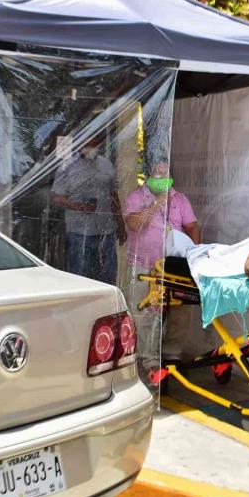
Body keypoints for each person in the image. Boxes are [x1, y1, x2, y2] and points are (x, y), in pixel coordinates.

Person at [124, 155, 200, 370]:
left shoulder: (180, 199)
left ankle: (171, 353)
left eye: (166, 174)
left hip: (173, 266)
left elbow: (192, 226)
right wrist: (158, 202)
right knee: (146, 310)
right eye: (158, 174)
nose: (163, 179)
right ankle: (147, 358)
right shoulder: (136, 198)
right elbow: (135, 224)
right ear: (148, 176)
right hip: (144, 264)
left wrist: (193, 254)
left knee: (182, 310)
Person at [51, 133, 126, 285]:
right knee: (80, 277)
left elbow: (113, 195)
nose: (92, 147)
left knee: (108, 276)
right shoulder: (66, 167)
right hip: (79, 232)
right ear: (80, 145)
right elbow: (56, 197)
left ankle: (107, 307)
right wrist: (78, 206)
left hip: (106, 231)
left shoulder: (106, 165)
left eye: (95, 143)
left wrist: (121, 224)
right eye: (88, 144)